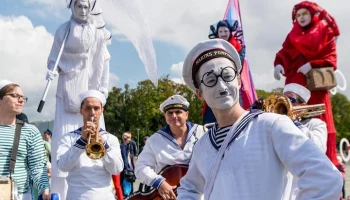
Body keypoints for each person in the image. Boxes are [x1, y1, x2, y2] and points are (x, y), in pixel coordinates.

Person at [178, 39, 342, 199]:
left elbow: (326, 179)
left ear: (239, 80)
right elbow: (189, 188)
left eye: (227, 75)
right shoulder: (203, 144)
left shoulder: (272, 125)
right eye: (210, 80)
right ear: (199, 93)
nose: (221, 86)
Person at [45, 0, 112, 198]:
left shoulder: (98, 32)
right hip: (69, 86)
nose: (82, 11)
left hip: (90, 86)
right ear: (72, 7)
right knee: (64, 140)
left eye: (86, 7)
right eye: (79, 6)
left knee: (96, 137)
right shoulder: (63, 30)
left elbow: (103, 60)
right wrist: (51, 70)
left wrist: (103, 90)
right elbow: (53, 57)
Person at [273, 1, 340, 166]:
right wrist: (278, 63)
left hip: (315, 87)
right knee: (292, 118)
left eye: (305, 14)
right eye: (298, 15)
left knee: (319, 121)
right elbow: (285, 52)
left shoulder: (324, 32)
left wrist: (312, 64)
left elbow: (331, 59)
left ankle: (325, 163)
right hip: (295, 83)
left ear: (312, 14)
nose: (301, 17)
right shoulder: (293, 34)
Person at [135, 95, 206, 200]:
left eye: (178, 112)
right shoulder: (155, 140)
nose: (174, 116)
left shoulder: (203, 133)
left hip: (201, 194)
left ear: (186, 114)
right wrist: (159, 183)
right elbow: (140, 167)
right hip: (169, 196)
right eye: (170, 113)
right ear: (165, 116)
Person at [56, 90, 123, 200]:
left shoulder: (111, 139)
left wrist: (104, 145)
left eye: (96, 108)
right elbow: (63, 166)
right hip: (77, 197)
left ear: (102, 111)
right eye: (87, 108)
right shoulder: (68, 137)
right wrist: (81, 141)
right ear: (81, 111)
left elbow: (117, 169)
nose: (92, 113)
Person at [0, 80, 51, 200]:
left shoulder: (30, 131)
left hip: (19, 195)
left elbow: (37, 167)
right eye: (15, 95)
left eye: (23, 97)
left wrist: (45, 188)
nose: (21, 100)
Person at [281, 83, 328, 200]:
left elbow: (319, 148)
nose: (286, 103)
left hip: (303, 187)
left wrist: (295, 124)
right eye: (284, 99)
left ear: (303, 104)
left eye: (291, 99)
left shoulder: (316, 124)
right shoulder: (278, 125)